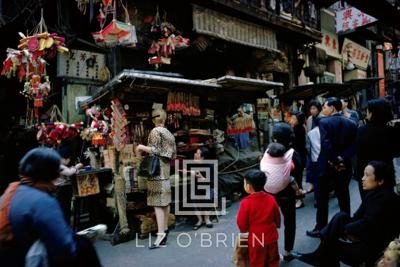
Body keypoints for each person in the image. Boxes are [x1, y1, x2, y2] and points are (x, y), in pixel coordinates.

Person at [0, 147, 101, 267]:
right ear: (48, 175)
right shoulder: (42, 201)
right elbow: (63, 247)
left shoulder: (14, 190)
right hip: (26, 258)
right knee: (83, 246)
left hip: (14, 257)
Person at [298, 161, 400, 267]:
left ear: (380, 181)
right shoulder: (373, 194)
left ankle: (320, 252)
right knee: (341, 217)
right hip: (366, 235)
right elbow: (357, 216)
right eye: (363, 174)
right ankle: (320, 250)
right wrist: (345, 229)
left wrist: (346, 229)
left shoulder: (383, 199)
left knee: (330, 247)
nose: (362, 178)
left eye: (367, 175)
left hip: (372, 246)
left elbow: (367, 223)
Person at [307, 97, 357, 238]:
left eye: (325, 107)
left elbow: (326, 144)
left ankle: (320, 227)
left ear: (333, 108)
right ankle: (346, 227)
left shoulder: (324, 122)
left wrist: (334, 160)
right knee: (343, 196)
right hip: (344, 165)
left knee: (322, 197)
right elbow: (354, 145)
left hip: (327, 165)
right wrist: (341, 159)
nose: (323, 110)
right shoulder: (351, 123)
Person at [261, 122, 302, 261]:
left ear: (274, 138)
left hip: (267, 193)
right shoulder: (293, 154)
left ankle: (267, 250)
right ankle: (287, 252)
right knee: (289, 222)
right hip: (287, 194)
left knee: (266, 222)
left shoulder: (267, 151)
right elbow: (298, 173)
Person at [135, 108, 176, 249]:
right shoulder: (170, 134)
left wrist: (141, 147)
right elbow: (173, 155)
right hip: (165, 170)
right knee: (165, 201)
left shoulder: (155, 131)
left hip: (156, 172)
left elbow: (155, 150)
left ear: (154, 120)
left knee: (157, 203)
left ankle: (160, 235)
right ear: (164, 119)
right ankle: (164, 229)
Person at [237, 170, 281, 267]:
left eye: (244, 183)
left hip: (256, 239)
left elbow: (241, 222)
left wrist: (243, 231)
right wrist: (277, 224)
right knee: (273, 260)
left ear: (248, 187)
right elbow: (277, 215)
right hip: (271, 236)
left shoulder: (245, 202)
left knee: (257, 262)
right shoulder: (271, 198)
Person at [356, 99, 396, 200]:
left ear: (373, 113)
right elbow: (396, 152)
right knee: (386, 204)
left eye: (368, 110)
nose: (366, 113)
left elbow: (358, 152)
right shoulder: (391, 130)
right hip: (386, 172)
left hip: (367, 173)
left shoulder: (361, 131)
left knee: (368, 203)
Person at [55, 145, 83, 224]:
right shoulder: (58, 165)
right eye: (68, 159)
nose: (69, 160)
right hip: (62, 189)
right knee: (64, 208)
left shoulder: (61, 165)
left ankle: (65, 223)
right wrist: (77, 167)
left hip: (65, 189)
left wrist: (75, 169)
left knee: (66, 207)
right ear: (63, 158)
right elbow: (69, 172)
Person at [192, 147, 215, 230]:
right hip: (197, 188)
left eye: (197, 153)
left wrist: (202, 177)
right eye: (195, 152)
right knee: (192, 197)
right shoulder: (193, 164)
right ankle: (200, 220)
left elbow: (212, 183)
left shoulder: (210, 166)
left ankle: (207, 219)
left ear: (202, 157)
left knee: (207, 195)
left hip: (209, 188)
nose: (195, 154)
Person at [289, 111, 307, 208]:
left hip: (297, 157)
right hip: (298, 156)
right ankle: (298, 197)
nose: (291, 120)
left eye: (293, 118)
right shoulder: (297, 128)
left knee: (297, 179)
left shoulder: (297, 130)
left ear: (299, 120)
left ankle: (299, 199)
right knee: (296, 178)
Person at [305, 99, 322, 194]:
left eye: (314, 108)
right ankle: (312, 184)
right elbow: (308, 133)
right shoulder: (309, 119)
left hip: (319, 145)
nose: (312, 110)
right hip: (311, 146)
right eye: (311, 108)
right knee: (310, 166)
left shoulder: (322, 118)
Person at [305, 116, 321, 205]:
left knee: (316, 180)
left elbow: (308, 148)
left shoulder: (310, 133)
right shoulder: (325, 131)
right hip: (324, 159)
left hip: (314, 159)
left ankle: (317, 199)